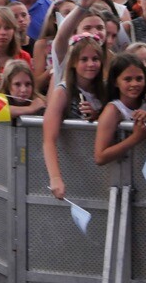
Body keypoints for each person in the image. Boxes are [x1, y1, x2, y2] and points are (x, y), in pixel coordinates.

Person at [44, 31, 107, 199]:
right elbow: (48, 139)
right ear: (72, 63)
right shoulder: (62, 92)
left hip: (102, 171)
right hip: (73, 167)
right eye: (84, 59)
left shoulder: (106, 90)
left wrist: (97, 116)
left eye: (95, 59)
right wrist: (55, 178)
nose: (91, 64)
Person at [93, 54, 146, 165]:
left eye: (139, 78)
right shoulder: (112, 110)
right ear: (115, 82)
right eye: (127, 79)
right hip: (120, 176)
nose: (134, 84)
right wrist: (136, 137)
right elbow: (100, 157)